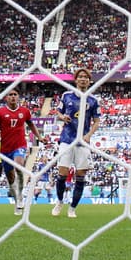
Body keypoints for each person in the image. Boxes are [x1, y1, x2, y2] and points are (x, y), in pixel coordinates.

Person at [50, 68, 101, 219]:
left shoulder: (93, 100)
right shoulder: (66, 96)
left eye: (86, 77)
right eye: (80, 77)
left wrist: (89, 135)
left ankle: (72, 208)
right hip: (67, 139)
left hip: (82, 142)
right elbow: (58, 112)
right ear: (76, 80)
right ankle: (60, 202)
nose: (83, 79)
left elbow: (97, 121)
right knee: (62, 174)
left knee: (80, 176)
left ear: (89, 81)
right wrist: (62, 117)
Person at [0, 88, 46, 215]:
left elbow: (31, 125)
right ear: (6, 98)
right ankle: (17, 201)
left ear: (18, 97)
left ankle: (20, 194)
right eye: (10, 95)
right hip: (5, 149)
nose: (13, 96)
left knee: (19, 166)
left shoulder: (25, 111)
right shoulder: (0, 112)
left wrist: (39, 137)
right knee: (10, 178)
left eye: (15, 94)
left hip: (20, 145)